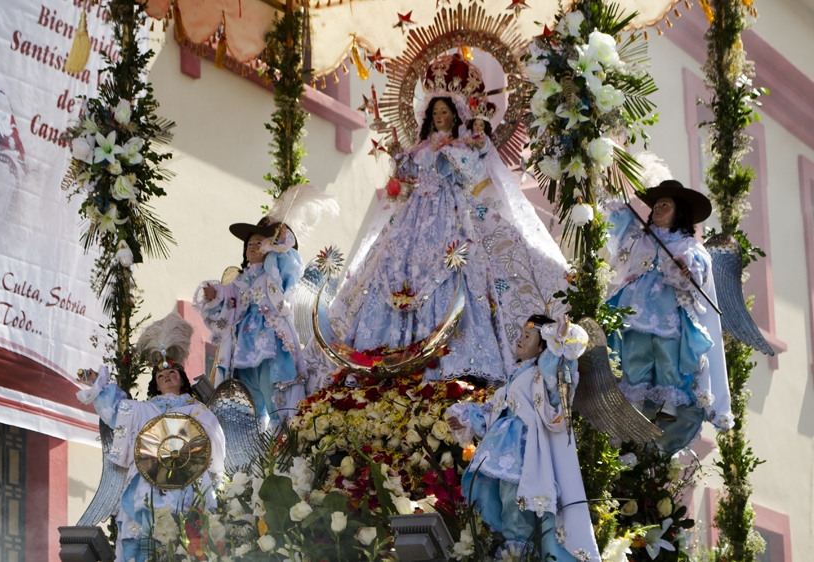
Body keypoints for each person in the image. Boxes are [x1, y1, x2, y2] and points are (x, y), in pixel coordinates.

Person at [309, 53, 569, 386]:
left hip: (450, 215)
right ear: (429, 117)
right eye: (436, 112)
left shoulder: (460, 146)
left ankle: (449, 361)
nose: (440, 117)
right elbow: (401, 187)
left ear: (456, 114)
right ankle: (384, 353)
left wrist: (465, 145)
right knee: (389, 270)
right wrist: (399, 176)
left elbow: (472, 172)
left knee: (457, 273)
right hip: (412, 220)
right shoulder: (418, 151)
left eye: (445, 111)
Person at [445, 315, 600, 562]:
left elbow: (556, 376)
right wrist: (466, 418)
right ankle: (512, 549)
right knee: (509, 501)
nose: (520, 339)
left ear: (542, 347)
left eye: (528, 337)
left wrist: (560, 341)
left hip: (525, 451)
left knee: (519, 502)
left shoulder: (541, 372)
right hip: (504, 450)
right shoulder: (517, 373)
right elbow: (495, 414)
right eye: (521, 334)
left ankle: (518, 553)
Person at [605, 180, 732, 449]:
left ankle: (669, 402)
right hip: (636, 306)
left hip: (667, 311)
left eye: (667, 205)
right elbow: (618, 228)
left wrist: (686, 269)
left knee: (665, 352)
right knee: (635, 350)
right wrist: (613, 192)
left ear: (679, 213)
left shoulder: (687, 244)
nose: (659, 208)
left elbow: (699, 268)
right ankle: (634, 401)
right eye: (658, 204)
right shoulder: (640, 236)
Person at [77, 362, 226, 562]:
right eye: (160, 375)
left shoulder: (199, 410)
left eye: (172, 372)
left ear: (181, 379)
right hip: (149, 481)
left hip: (189, 480)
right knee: (144, 537)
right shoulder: (142, 409)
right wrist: (97, 382)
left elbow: (213, 443)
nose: (166, 377)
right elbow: (115, 410)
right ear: (156, 384)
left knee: (188, 537)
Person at [195, 216, 306, 427]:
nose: (254, 248)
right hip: (244, 343)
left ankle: (279, 435)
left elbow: (290, 264)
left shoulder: (273, 271)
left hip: (269, 339)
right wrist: (214, 295)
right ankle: (253, 440)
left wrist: (282, 241)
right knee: (247, 391)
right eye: (250, 244)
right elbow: (228, 298)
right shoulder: (240, 280)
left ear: (269, 247)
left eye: (259, 243)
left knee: (270, 385)